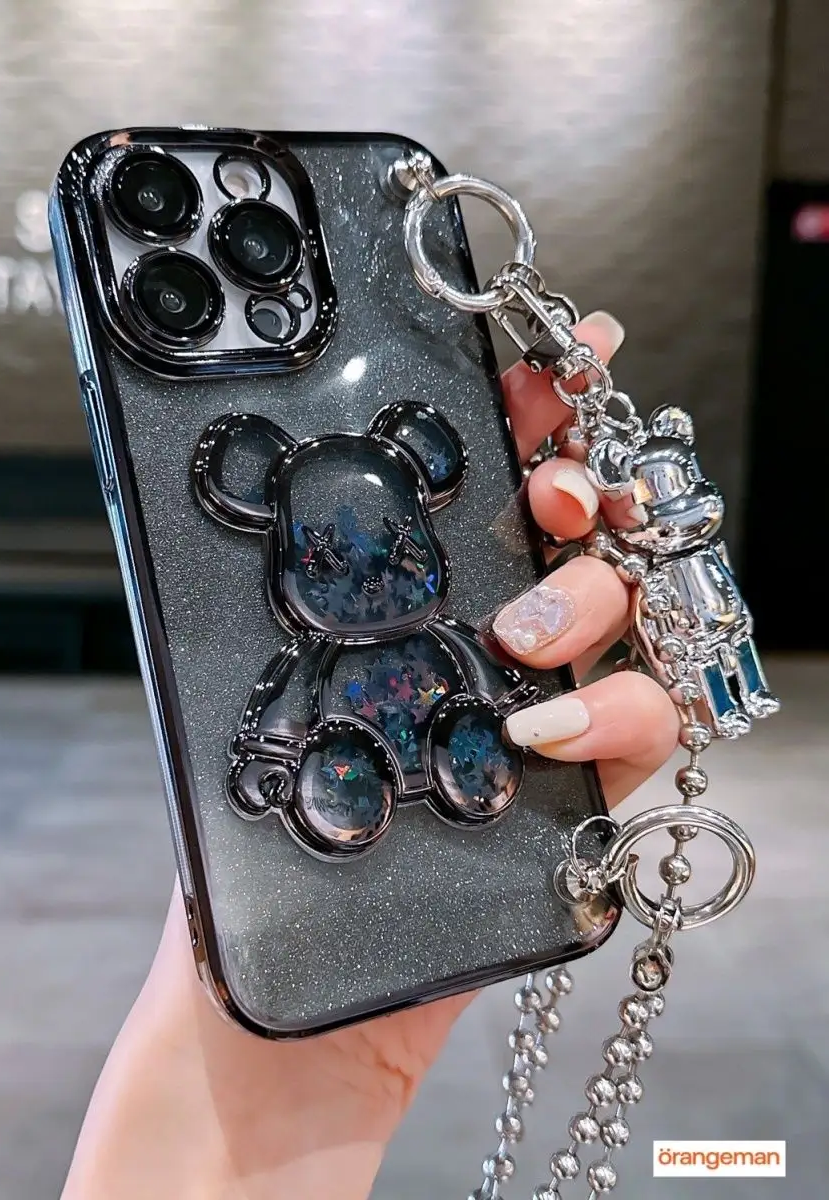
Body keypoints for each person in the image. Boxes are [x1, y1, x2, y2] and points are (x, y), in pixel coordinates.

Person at [61, 312, 679, 1200]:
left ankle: (464, 763)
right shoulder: (313, 663)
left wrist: (516, 696)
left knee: (479, 722)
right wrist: (273, 765)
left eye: (396, 549)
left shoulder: (448, 640)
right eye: (327, 557)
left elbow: (493, 674)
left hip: (442, 733)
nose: (370, 575)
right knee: (342, 757)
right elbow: (283, 714)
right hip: (360, 761)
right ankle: (356, 783)